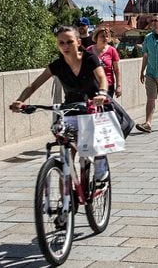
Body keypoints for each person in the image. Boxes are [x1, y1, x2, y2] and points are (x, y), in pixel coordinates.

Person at [9, 26, 110, 180]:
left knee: (90, 145)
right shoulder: (57, 65)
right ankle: (68, 190)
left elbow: (102, 78)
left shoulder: (90, 59)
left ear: (78, 41)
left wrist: (102, 94)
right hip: (70, 108)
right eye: (61, 43)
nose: (65, 46)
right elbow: (33, 85)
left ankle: (100, 170)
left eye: (69, 42)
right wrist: (20, 100)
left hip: (92, 106)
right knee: (66, 148)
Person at [89, 26, 122, 98]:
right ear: (96, 38)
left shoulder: (112, 50)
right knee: (93, 108)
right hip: (92, 85)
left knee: (106, 108)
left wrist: (119, 86)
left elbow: (117, 70)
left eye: (107, 36)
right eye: (102, 36)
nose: (105, 38)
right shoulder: (89, 50)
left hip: (108, 85)